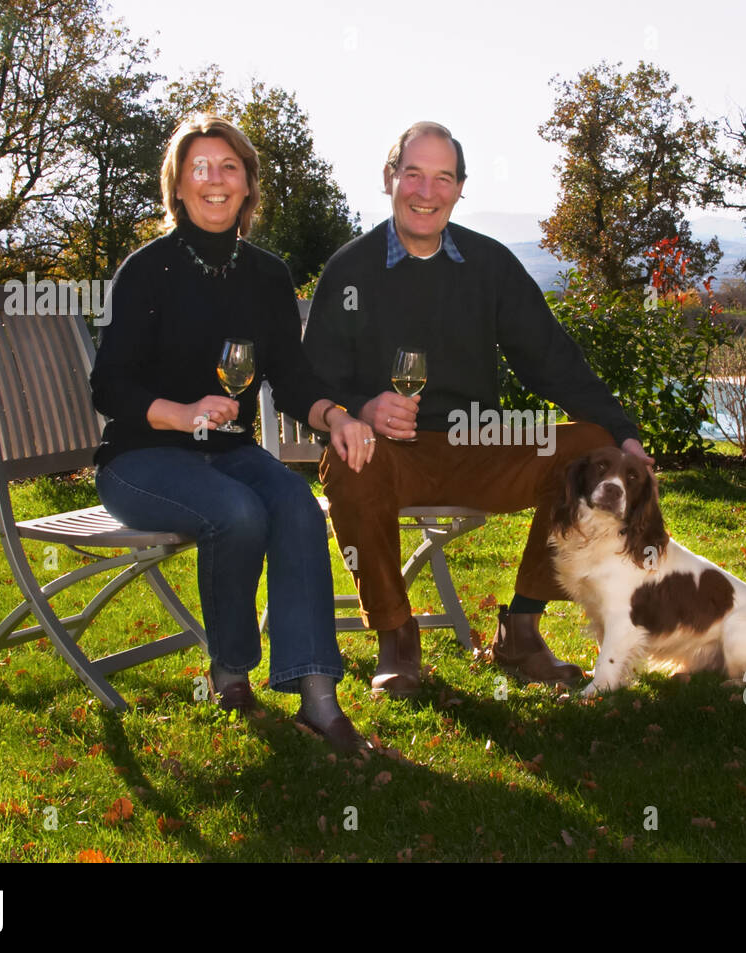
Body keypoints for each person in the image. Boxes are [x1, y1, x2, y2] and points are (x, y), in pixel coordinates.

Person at [303, 121, 653, 698]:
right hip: (388, 453)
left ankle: (521, 628)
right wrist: (362, 408)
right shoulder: (351, 269)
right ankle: (396, 639)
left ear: (461, 188)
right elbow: (311, 377)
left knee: (590, 448)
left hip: (479, 443)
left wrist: (622, 431)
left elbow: (551, 359)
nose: (426, 191)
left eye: (443, 178)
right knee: (350, 462)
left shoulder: (489, 265)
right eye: (413, 173)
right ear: (389, 179)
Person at [90, 114, 375, 753]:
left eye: (228, 167)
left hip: (228, 451)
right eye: (199, 168)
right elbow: (109, 389)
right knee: (239, 513)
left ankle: (318, 697)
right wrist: (182, 412)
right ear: (178, 186)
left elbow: (294, 377)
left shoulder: (268, 276)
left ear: (247, 185)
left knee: (297, 505)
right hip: (141, 457)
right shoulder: (147, 271)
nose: (214, 180)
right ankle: (231, 670)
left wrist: (336, 417)